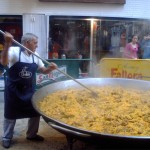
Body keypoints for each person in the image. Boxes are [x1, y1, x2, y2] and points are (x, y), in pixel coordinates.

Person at [1, 32, 57, 148]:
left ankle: (31, 134)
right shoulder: (14, 51)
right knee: (10, 115)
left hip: (28, 90)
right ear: (27, 42)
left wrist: (50, 69)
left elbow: (43, 70)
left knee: (35, 112)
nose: (37, 45)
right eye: (35, 43)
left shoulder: (35, 55)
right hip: (14, 90)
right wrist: (7, 44)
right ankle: (7, 137)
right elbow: (4, 62)